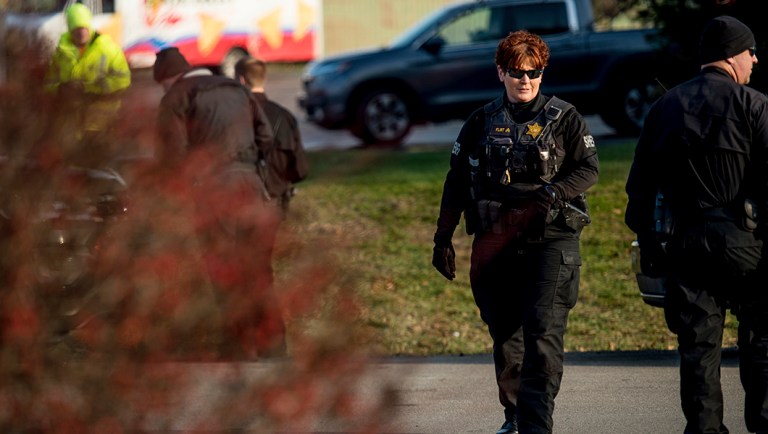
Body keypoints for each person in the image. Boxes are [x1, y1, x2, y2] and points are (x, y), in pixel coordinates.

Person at [432, 30, 598, 434]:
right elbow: (456, 181)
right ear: (500, 72)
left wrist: (555, 192)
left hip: (551, 240)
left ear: (543, 73)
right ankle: (516, 417)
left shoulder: (565, 118)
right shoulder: (481, 121)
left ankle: (535, 424)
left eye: (534, 72)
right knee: (506, 334)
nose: (525, 80)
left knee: (542, 332)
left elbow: (589, 169)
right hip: (496, 240)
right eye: (516, 72)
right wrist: (443, 237)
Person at [625, 15, 768, 434]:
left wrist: (651, 248)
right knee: (761, 339)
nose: (755, 61)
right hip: (748, 244)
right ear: (733, 56)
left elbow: (639, 191)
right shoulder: (755, 106)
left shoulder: (664, 108)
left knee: (698, 349)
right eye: (751, 52)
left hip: (686, 247)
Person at [152, 46, 282, 359]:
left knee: (224, 270)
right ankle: (274, 348)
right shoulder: (237, 88)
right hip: (251, 187)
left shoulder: (176, 97)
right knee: (259, 271)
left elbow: (171, 156)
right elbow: (267, 137)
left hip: (213, 193)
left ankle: (237, 349)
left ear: (168, 78)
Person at [234, 56, 309, 216]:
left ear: (240, 80)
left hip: (240, 202)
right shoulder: (285, 117)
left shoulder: (231, 116)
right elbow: (300, 170)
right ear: (264, 78)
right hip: (276, 202)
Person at [44, 2, 130, 134]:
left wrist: (89, 88)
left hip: (102, 122)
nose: (81, 32)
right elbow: (49, 83)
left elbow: (123, 81)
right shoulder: (61, 53)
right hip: (71, 126)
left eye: (84, 28)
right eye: (76, 29)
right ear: (70, 29)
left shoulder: (108, 49)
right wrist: (61, 89)